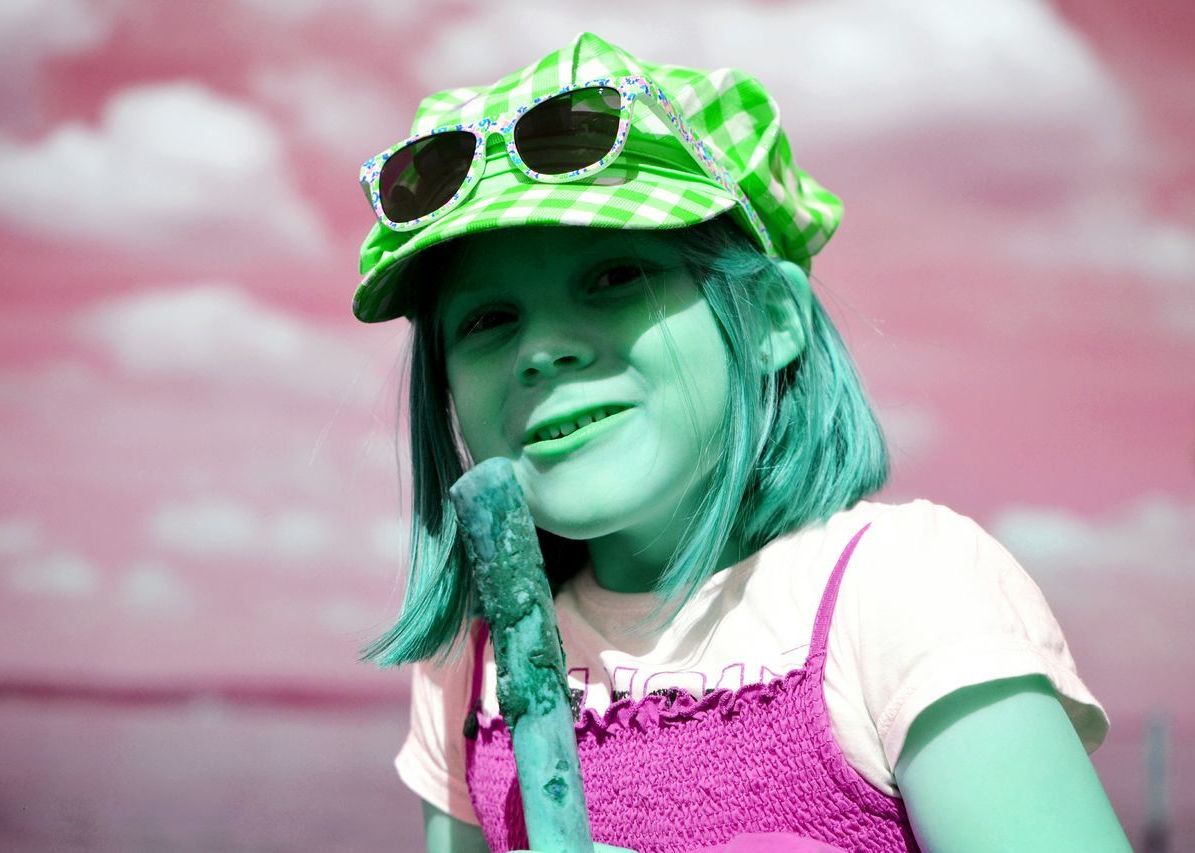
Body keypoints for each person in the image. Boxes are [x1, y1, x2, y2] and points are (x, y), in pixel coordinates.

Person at [353, 32, 1130, 853]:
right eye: (487, 319)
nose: (542, 347)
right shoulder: (465, 670)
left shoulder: (899, 587)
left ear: (767, 322)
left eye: (616, 275)